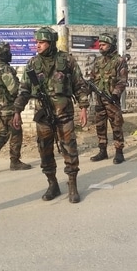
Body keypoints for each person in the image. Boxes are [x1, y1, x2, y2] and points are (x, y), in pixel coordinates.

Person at [12, 27, 89, 203]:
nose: (37, 46)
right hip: (43, 115)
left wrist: (83, 107)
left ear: (51, 43)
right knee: (44, 149)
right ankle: (52, 184)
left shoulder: (66, 60)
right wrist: (17, 110)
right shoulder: (32, 64)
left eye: (41, 42)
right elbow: (24, 89)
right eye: (36, 42)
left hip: (64, 114)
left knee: (69, 149)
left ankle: (72, 186)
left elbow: (79, 84)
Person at [0, 42, 31, 172]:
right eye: (8, 52)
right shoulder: (4, 69)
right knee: (16, 132)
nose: (11, 54)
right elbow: (14, 89)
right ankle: (14, 161)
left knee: (3, 133)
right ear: (3, 54)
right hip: (8, 107)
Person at [88, 33, 128, 164]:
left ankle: (119, 152)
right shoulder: (98, 62)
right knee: (100, 126)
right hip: (99, 99)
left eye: (103, 45)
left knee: (116, 126)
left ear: (111, 46)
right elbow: (92, 79)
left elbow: (122, 81)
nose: (101, 47)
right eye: (100, 45)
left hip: (112, 100)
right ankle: (102, 151)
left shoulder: (119, 61)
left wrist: (115, 94)